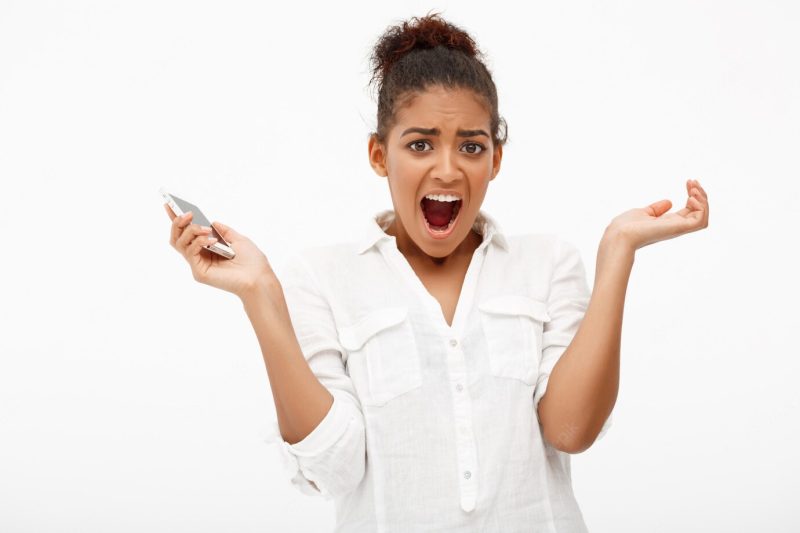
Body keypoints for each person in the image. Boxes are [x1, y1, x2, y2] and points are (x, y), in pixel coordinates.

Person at [163, 12, 709, 532]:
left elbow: (570, 430)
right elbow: (334, 468)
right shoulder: (322, 277)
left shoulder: (548, 265)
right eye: (420, 144)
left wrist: (618, 251)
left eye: (471, 146)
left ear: (495, 160)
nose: (447, 168)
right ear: (380, 155)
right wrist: (259, 294)